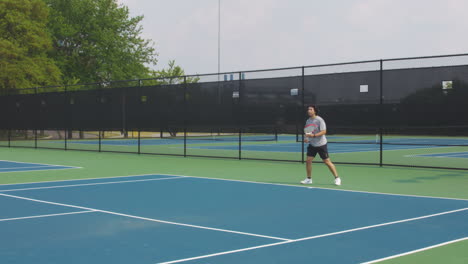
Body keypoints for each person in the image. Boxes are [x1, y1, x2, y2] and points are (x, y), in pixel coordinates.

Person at [301, 105, 341, 186]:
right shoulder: (308, 121)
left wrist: (314, 136)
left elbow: (324, 131)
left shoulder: (320, 120)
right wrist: (306, 138)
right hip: (312, 144)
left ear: (314, 111)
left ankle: (337, 178)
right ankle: (309, 179)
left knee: (327, 162)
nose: (309, 111)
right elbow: (308, 132)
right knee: (308, 161)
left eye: (311, 109)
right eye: (308, 109)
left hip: (321, 144)